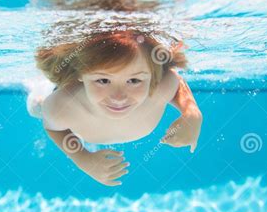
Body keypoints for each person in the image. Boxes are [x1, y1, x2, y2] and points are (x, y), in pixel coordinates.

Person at [29, 30, 202, 186]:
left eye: (134, 81)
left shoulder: (162, 85)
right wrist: (83, 159)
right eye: (103, 80)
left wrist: (192, 114)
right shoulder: (61, 106)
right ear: (80, 74)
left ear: (153, 75)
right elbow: (52, 128)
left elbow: (175, 81)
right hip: (66, 97)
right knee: (36, 108)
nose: (118, 98)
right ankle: (41, 90)